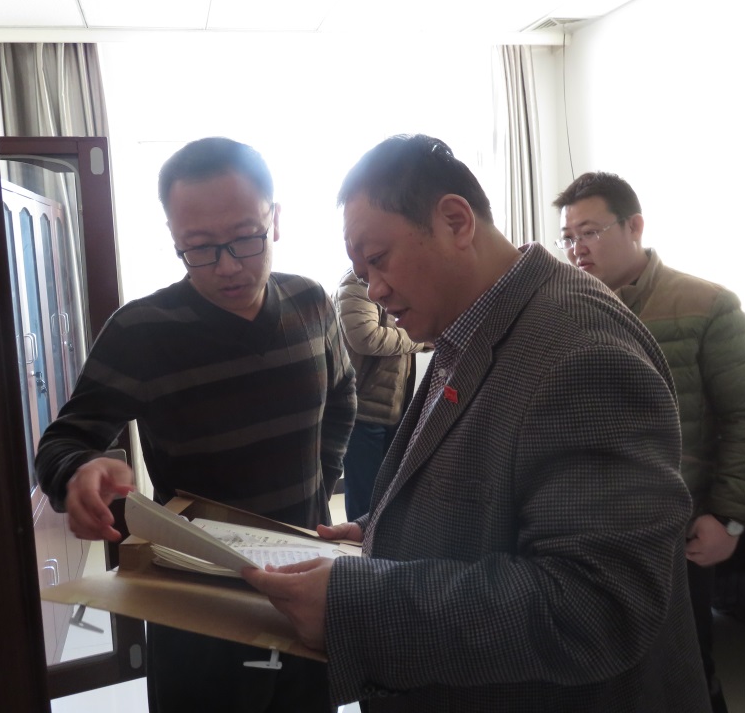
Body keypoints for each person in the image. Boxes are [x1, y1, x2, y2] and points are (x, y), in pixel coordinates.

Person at [243, 134, 710, 712]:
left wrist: (356, 602)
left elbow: (596, 607)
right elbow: (486, 488)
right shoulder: (473, 322)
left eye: (379, 259)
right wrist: (380, 529)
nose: (376, 291)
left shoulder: (581, 352)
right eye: (362, 272)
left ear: (456, 221)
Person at [34, 136, 357, 713]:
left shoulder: (310, 302)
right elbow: (64, 440)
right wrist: (78, 471)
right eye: (200, 247)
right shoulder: (140, 331)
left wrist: (319, 486)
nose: (227, 266)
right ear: (174, 238)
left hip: (302, 577)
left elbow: (342, 394)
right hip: (193, 593)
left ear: (275, 220)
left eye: (246, 238)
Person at [552, 171, 745, 713]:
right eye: (567, 237)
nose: (577, 248)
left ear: (634, 226)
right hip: (586, 531)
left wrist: (730, 519)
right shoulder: (563, 307)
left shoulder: (705, 304)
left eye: (589, 232)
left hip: (674, 530)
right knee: (601, 672)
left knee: (686, 672)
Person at [334, 263, 428, 521]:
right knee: (365, 502)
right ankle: (360, 547)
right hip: (363, 411)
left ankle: (384, 545)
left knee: (392, 495)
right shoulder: (354, 285)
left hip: (395, 409)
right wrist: (420, 340)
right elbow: (367, 338)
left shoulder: (399, 280)